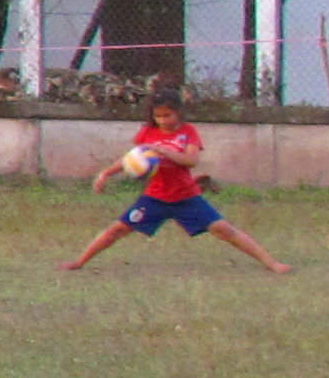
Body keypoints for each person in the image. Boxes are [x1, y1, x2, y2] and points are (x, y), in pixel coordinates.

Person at [67, 93, 293, 274]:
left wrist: (166, 151)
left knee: (223, 229)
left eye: (168, 115)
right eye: (159, 116)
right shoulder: (147, 132)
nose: (164, 120)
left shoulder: (188, 132)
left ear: (178, 113)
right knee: (118, 229)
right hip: (155, 197)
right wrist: (106, 173)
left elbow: (191, 160)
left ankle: (272, 264)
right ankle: (80, 261)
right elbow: (133, 158)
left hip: (186, 197)